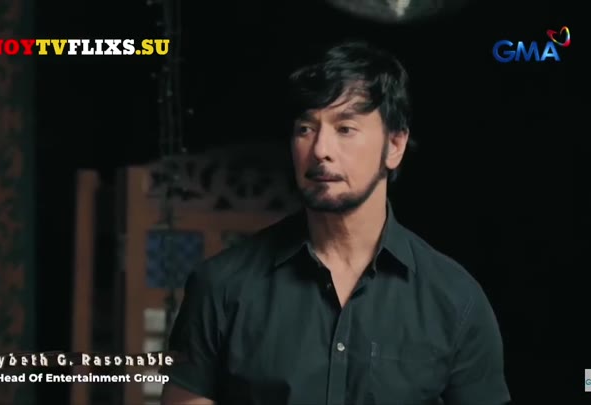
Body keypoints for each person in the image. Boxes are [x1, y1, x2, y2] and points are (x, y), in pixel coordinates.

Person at [160, 40, 510, 405]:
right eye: (305, 128)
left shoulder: (455, 299)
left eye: (345, 128)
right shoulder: (222, 286)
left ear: (394, 146)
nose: (320, 149)